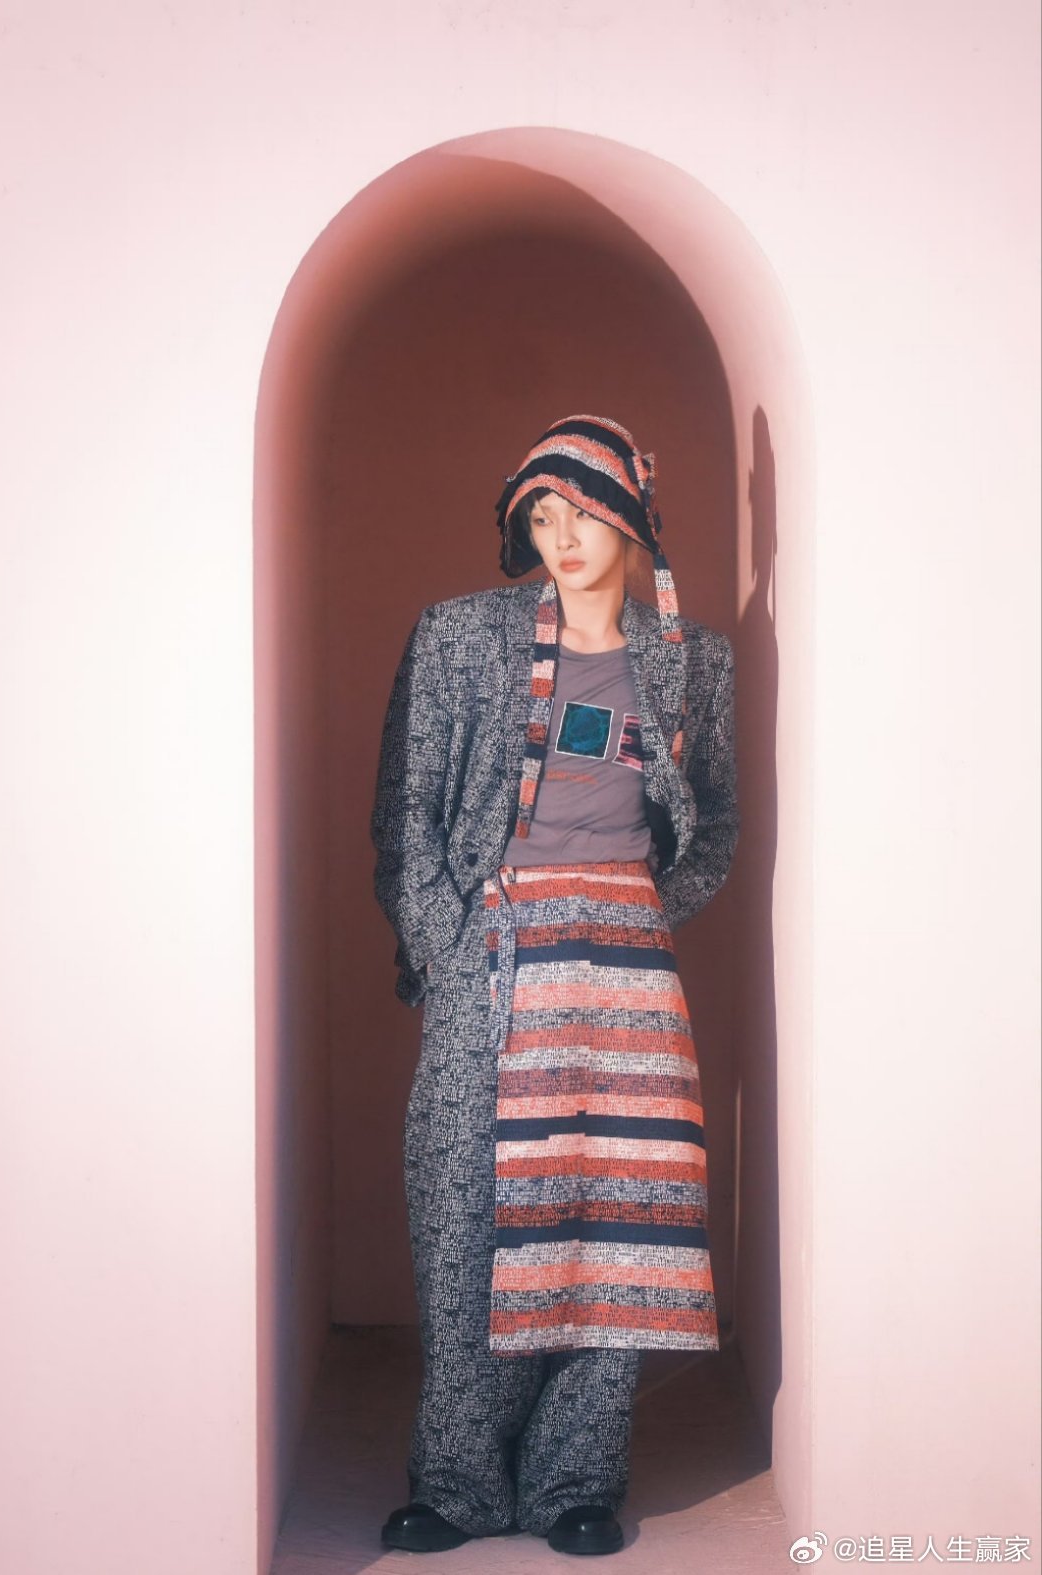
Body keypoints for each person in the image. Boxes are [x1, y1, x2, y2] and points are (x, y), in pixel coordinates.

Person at [370, 414, 740, 1556]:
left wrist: (646, 912)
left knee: (615, 1218)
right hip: (496, 951)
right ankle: (458, 1482)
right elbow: (405, 810)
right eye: (540, 515)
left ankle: (577, 1480)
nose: (563, 536)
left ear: (631, 518)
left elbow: (719, 818)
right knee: (468, 1211)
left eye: (582, 511)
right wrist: (451, 943)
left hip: (629, 961)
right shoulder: (459, 637)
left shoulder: (692, 660)